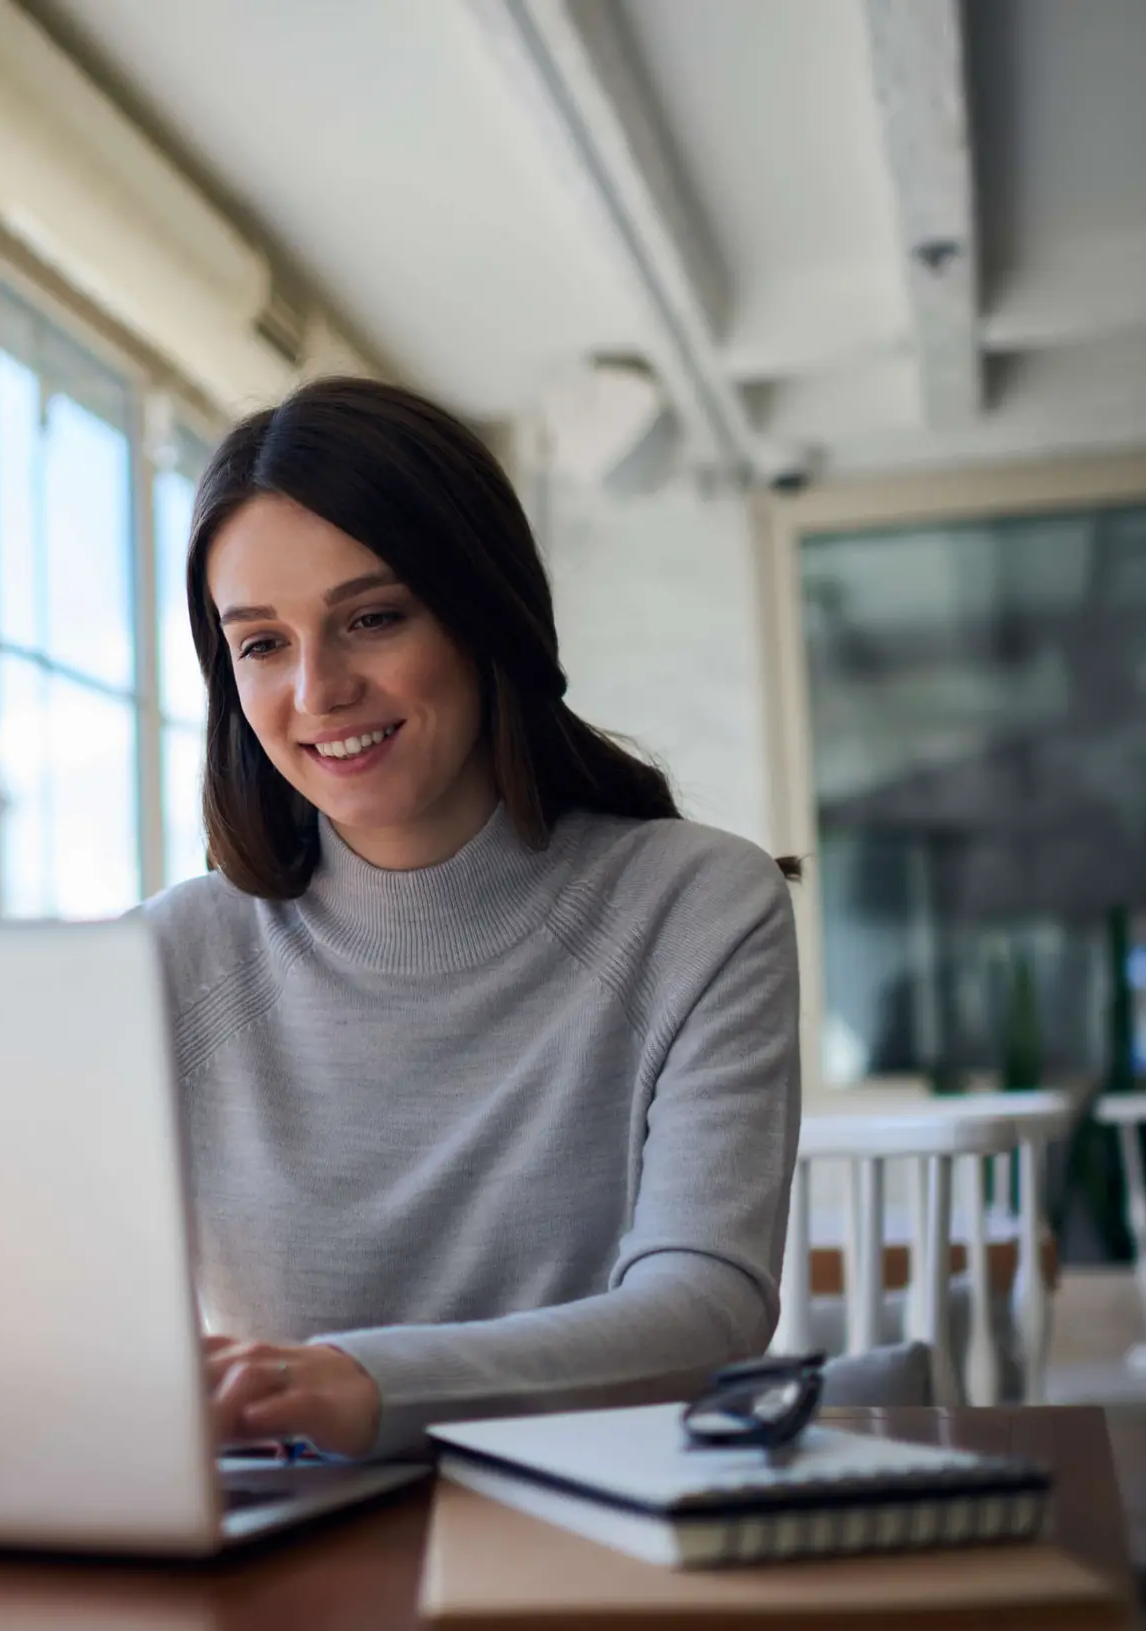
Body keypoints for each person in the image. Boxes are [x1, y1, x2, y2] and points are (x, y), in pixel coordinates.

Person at [145, 377, 800, 1459]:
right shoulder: (167, 958)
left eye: (372, 618)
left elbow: (707, 1307)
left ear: (483, 612)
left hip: (593, 1531)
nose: (318, 689)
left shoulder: (697, 907)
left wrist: (363, 1382)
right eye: (260, 643)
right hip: (279, 1548)